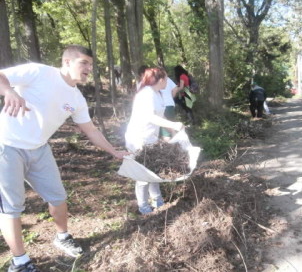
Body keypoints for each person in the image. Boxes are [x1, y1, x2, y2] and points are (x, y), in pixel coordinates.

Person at [0, 45, 130, 272]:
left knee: (58, 197)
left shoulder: (77, 98)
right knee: (12, 208)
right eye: (84, 63)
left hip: (39, 149)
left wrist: (114, 151)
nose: (89, 68)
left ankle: (62, 236)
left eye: (91, 64)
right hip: (7, 146)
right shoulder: (39, 72)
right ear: (67, 62)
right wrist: (9, 91)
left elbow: (90, 130)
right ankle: (19, 262)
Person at [125, 67, 183, 215]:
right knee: (143, 175)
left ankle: (158, 202)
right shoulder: (146, 94)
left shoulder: (158, 94)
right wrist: (173, 124)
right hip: (138, 138)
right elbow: (150, 117)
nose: (168, 82)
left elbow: (160, 116)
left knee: (153, 170)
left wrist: (172, 131)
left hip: (150, 137)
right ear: (161, 80)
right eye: (166, 79)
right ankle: (143, 207)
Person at [160, 75, 179, 141]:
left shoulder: (162, 79)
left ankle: (168, 146)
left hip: (164, 106)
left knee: (165, 132)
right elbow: (175, 88)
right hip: (170, 105)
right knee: (169, 128)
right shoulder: (167, 78)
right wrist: (171, 97)